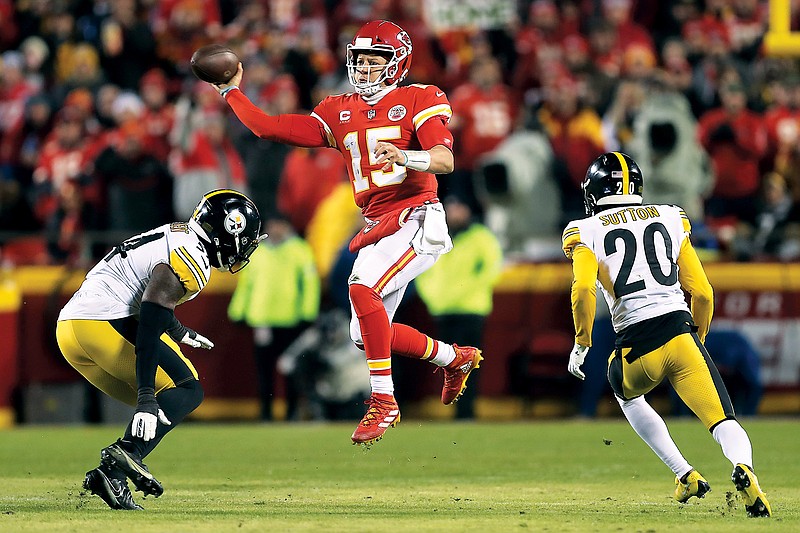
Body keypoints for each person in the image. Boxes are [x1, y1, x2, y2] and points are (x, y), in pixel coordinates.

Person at [211, 19, 483, 446]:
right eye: (360, 60)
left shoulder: (420, 98)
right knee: (364, 333)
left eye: (375, 60)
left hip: (417, 215)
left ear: (397, 64)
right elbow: (268, 127)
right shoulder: (338, 109)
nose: (365, 69)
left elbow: (444, 161)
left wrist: (406, 158)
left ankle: (384, 401)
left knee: (361, 287)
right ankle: (454, 358)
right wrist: (231, 92)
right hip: (378, 225)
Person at [561, 152, 772, 518]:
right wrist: (698, 341)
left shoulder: (586, 228)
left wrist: (582, 343)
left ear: (594, 190)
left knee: (626, 395)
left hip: (635, 345)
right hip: (680, 332)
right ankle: (746, 469)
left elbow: (582, 290)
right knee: (724, 421)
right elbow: (703, 292)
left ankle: (684, 474)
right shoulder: (671, 216)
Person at [56, 189, 264, 510]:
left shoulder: (179, 234)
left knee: (174, 398)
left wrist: (179, 331)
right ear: (229, 231)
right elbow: (150, 322)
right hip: (100, 323)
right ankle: (123, 458)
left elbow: (148, 305)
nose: (246, 248)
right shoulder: (192, 256)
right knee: (186, 391)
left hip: (72, 330)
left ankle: (112, 474)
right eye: (246, 239)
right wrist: (146, 397)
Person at [415, 195, 503, 419]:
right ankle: (456, 412)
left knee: (468, 365)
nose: (454, 213)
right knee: (449, 367)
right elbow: (421, 270)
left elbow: (491, 270)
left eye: (458, 207)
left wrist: (463, 293)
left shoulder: (481, 238)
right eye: (451, 208)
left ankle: (466, 412)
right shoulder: (436, 236)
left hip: (471, 310)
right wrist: (434, 298)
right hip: (443, 311)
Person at [227, 213, 320, 421]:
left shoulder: (300, 250)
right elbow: (246, 285)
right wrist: (237, 311)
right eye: (272, 225)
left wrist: (308, 313)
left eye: (279, 225)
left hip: (291, 320)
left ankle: (291, 412)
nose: (275, 229)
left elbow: (310, 284)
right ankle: (266, 413)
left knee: (291, 370)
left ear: (287, 227)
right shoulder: (257, 252)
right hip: (263, 320)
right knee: (264, 372)